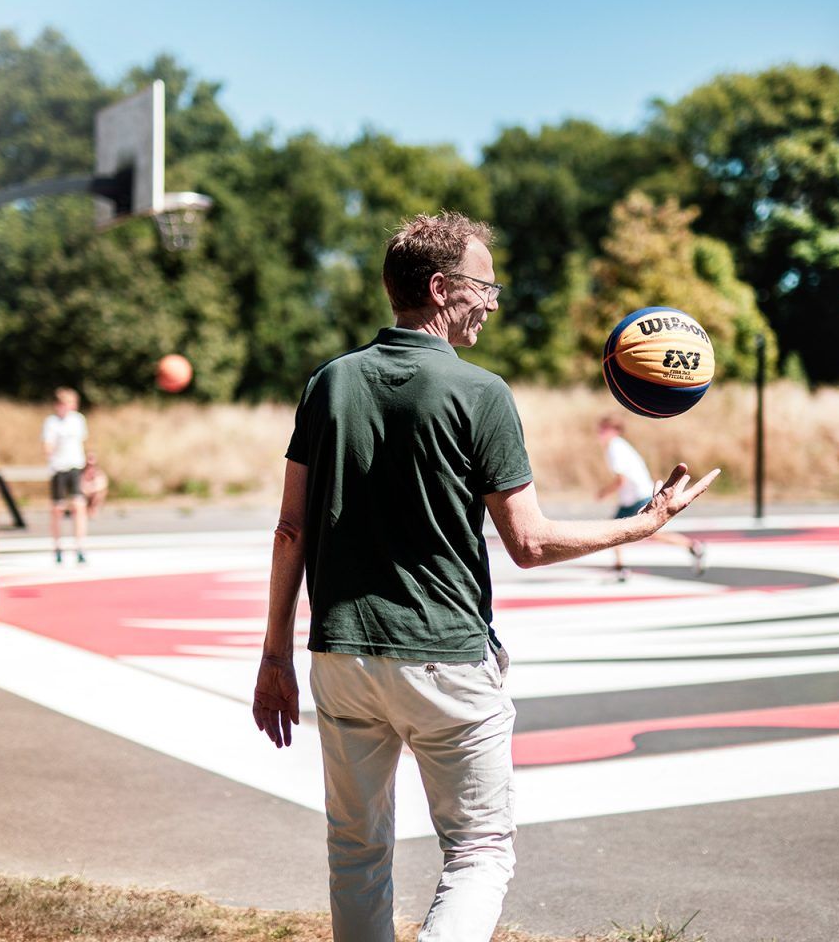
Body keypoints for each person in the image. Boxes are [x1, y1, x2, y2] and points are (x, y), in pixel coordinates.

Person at [252, 212, 719, 941]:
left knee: (356, 850)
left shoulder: (328, 383)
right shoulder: (481, 393)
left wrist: (274, 656)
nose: (494, 303)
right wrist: (645, 523)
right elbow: (528, 543)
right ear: (442, 288)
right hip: (445, 658)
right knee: (478, 851)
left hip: (340, 656)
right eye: (485, 286)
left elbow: (290, 530)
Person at [596, 416, 708, 580]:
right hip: (634, 497)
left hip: (637, 497)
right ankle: (693, 547)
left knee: (621, 531)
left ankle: (621, 569)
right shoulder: (618, 446)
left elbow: (621, 479)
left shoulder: (615, 448)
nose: (600, 432)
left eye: (604, 429)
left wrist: (604, 492)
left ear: (615, 430)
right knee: (620, 532)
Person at [42, 386, 89, 564]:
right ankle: (57, 546)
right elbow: (47, 446)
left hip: (75, 467)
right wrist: (51, 449)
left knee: (79, 505)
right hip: (58, 469)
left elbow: (81, 442)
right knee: (58, 508)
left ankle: (80, 546)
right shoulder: (51, 422)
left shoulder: (78, 420)